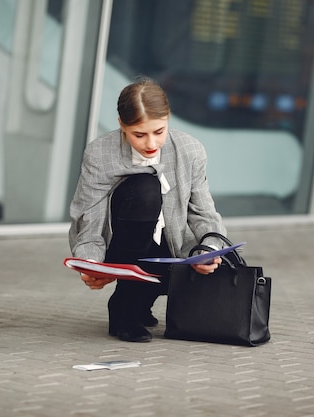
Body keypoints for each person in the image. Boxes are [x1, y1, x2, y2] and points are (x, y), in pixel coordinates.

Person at [68, 76, 227, 342]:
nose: (151, 143)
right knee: (145, 189)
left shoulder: (190, 150)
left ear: (168, 119)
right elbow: (89, 217)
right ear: (122, 125)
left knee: (194, 270)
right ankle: (125, 307)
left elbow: (203, 211)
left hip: (171, 244)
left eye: (159, 131)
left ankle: (142, 301)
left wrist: (209, 249)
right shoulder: (100, 154)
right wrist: (91, 263)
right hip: (123, 244)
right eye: (139, 134)